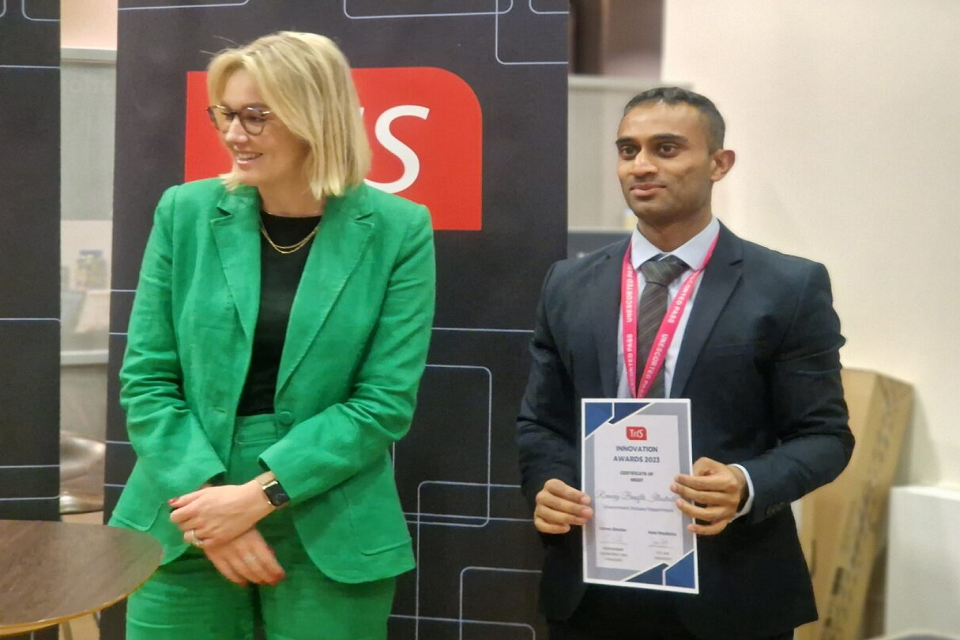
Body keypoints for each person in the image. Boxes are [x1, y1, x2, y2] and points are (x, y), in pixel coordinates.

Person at [108, 31, 436, 640]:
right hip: (185, 507)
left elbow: (383, 402)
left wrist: (258, 497)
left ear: (316, 117)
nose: (234, 134)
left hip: (331, 514)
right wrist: (212, 506)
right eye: (226, 114)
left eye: (256, 116)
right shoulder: (184, 212)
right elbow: (147, 380)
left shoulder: (398, 229)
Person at [516, 87, 854, 640]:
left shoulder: (787, 287)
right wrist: (548, 482)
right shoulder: (568, 283)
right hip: (592, 587)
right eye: (628, 150)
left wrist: (745, 484)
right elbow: (541, 422)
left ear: (719, 164)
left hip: (730, 588)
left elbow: (824, 436)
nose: (641, 166)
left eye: (666, 148)